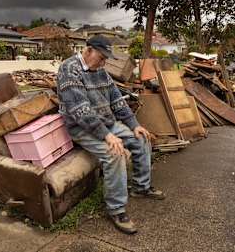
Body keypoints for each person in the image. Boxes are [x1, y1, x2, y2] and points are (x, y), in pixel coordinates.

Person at [56, 34, 165, 234]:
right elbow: (81, 111)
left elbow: (117, 100)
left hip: (105, 125)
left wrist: (134, 124)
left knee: (141, 138)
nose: (104, 63)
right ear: (88, 51)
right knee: (114, 153)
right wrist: (107, 135)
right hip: (81, 128)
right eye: (101, 58)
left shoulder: (101, 71)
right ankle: (116, 209)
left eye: (106, 59)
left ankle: (140, 187)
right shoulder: (69, 69)